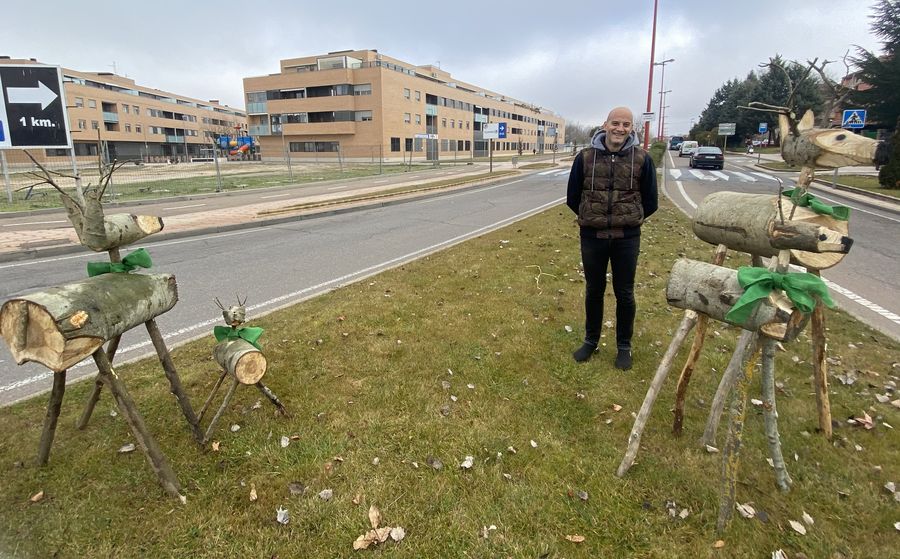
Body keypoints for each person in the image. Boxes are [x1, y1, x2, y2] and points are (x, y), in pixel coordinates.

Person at [566, 107, 658, 370]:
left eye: (626, 124)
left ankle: (624, 347)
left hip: (626, 238)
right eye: (615, 123)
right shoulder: (584, 158)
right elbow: (573, 197)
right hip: (592, 237)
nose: (620, 128)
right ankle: (590, 341)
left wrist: (628, 219)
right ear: (605, 125)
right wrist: (592, 217)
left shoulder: (642, 159)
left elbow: (651, 201)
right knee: (594, 291)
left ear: (632, 128)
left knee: (625, 293)